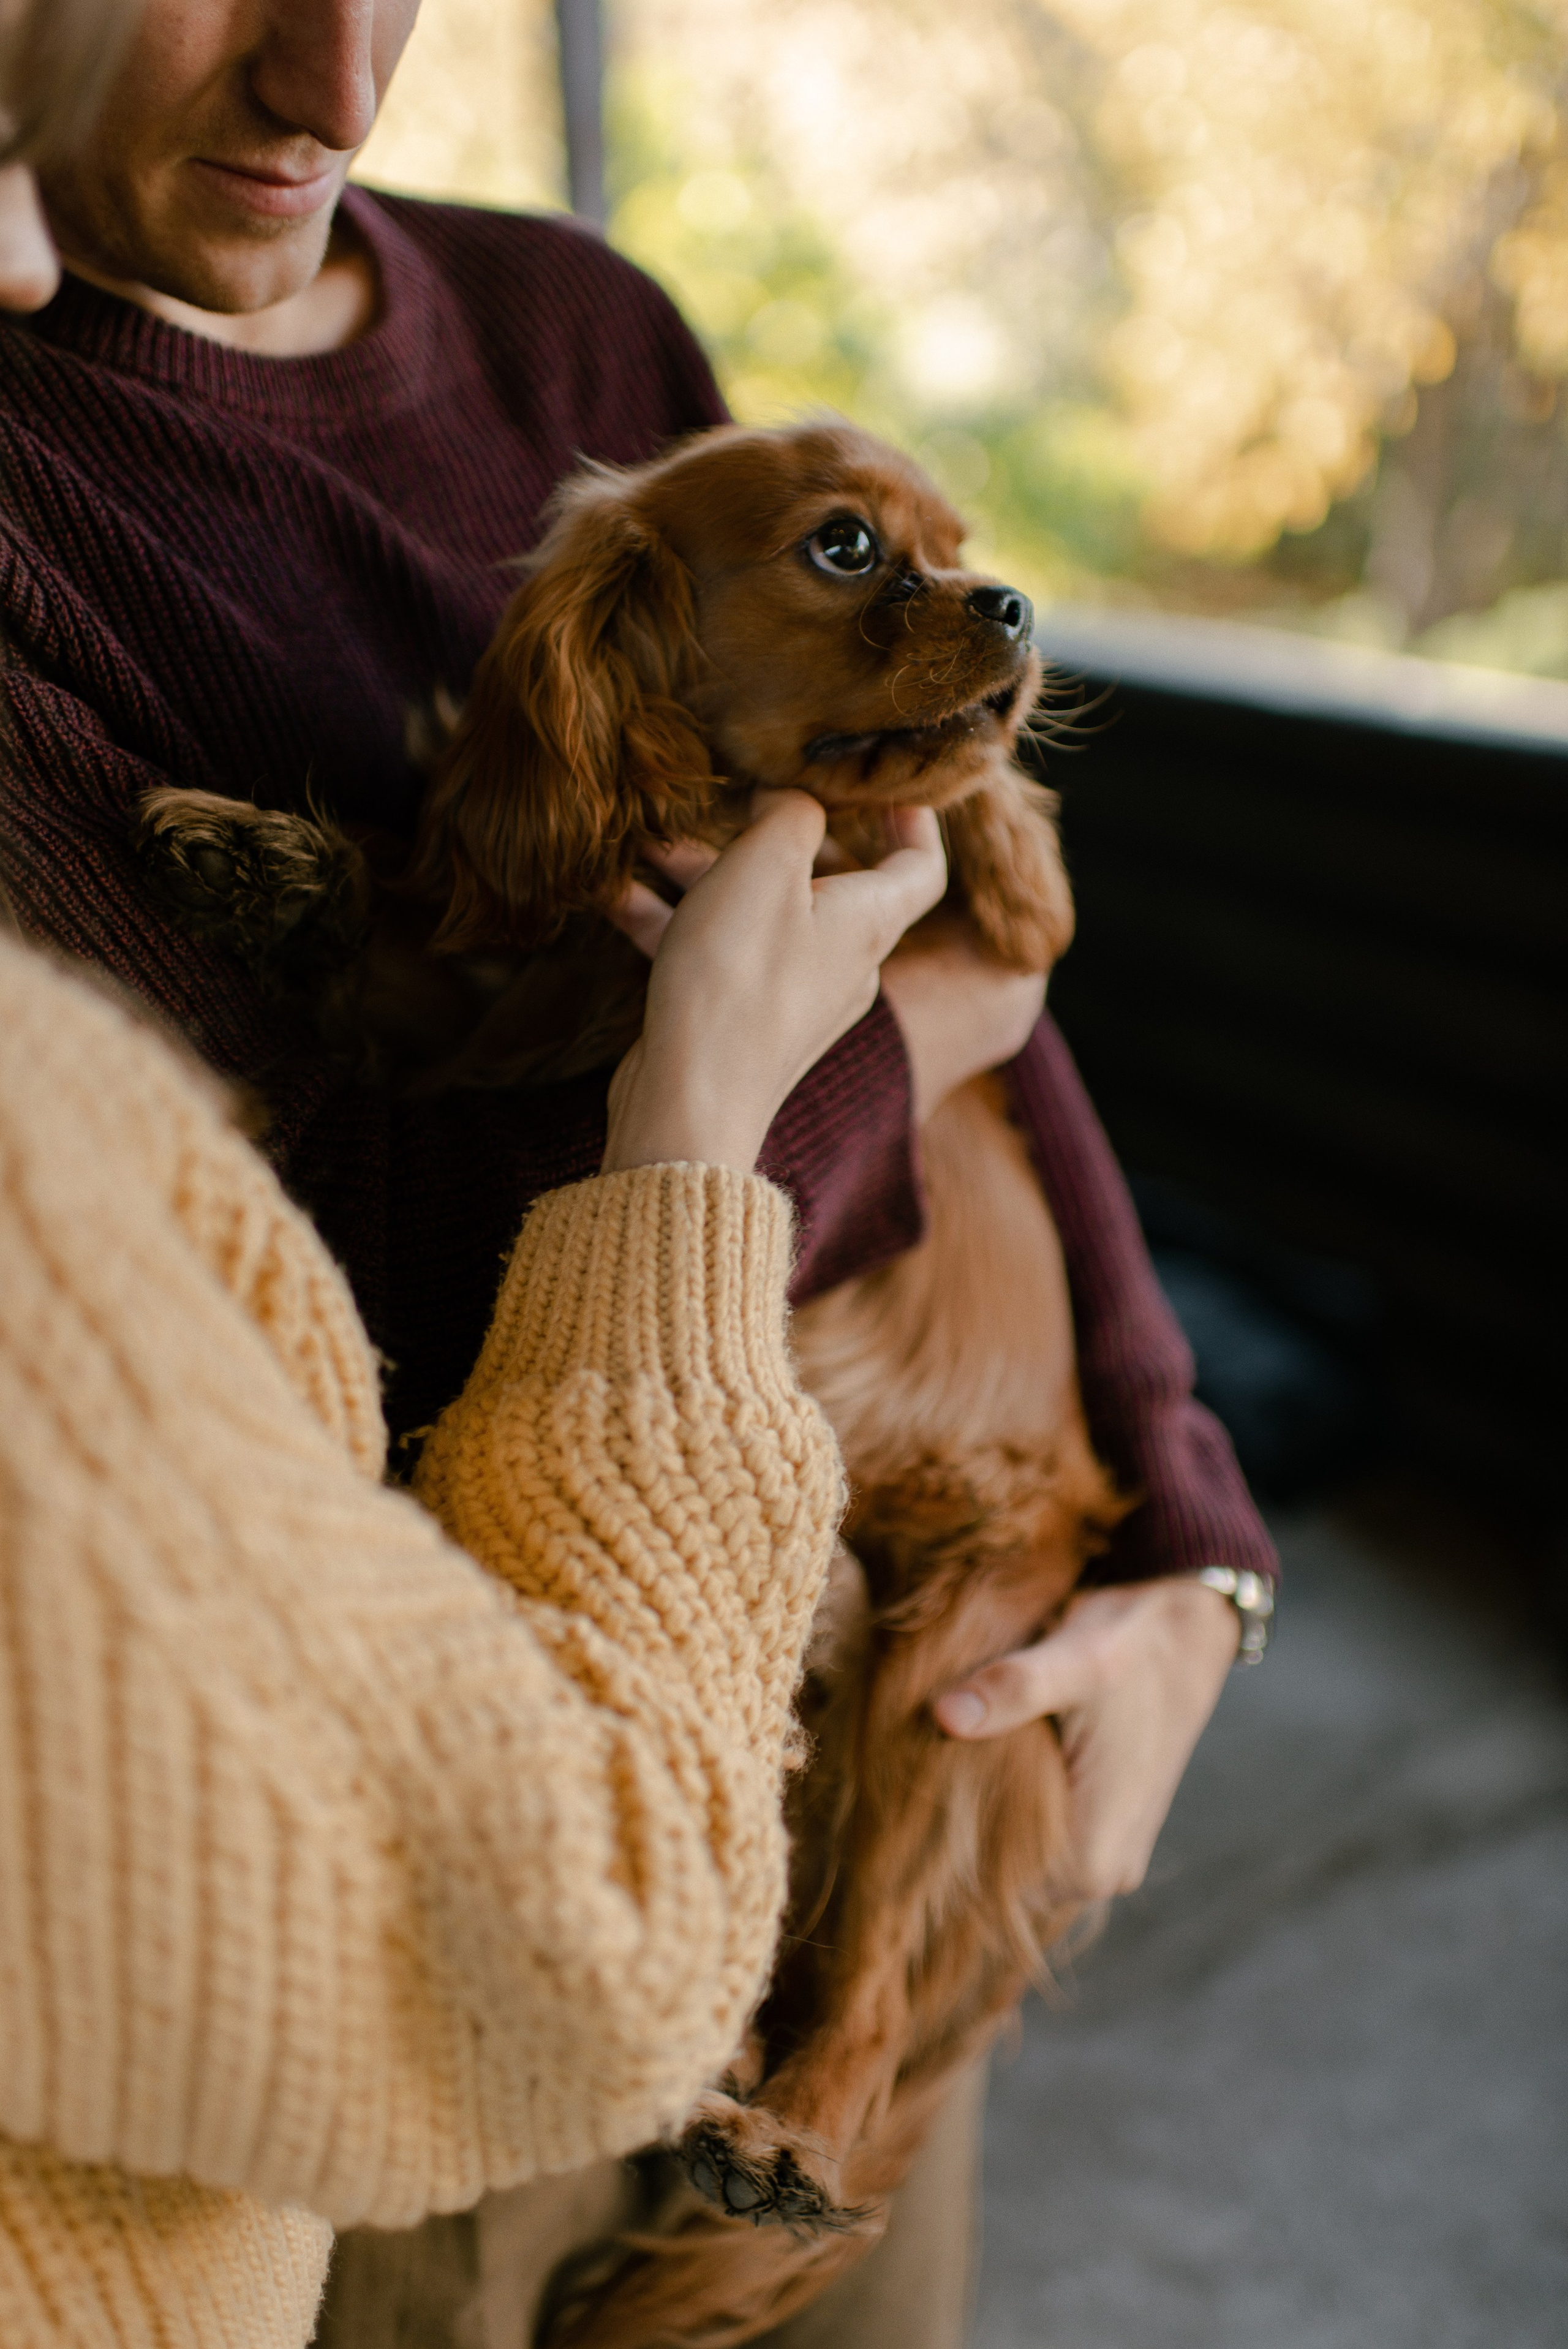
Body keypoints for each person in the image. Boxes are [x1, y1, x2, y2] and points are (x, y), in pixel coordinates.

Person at [0, 6, 1273, 2342]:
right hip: (457, 1858)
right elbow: (338, 1282)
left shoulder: (581, 323)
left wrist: (1196, 1527)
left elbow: (999, 983)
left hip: (889, 1708)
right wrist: (827, 1064)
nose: (339, 92)